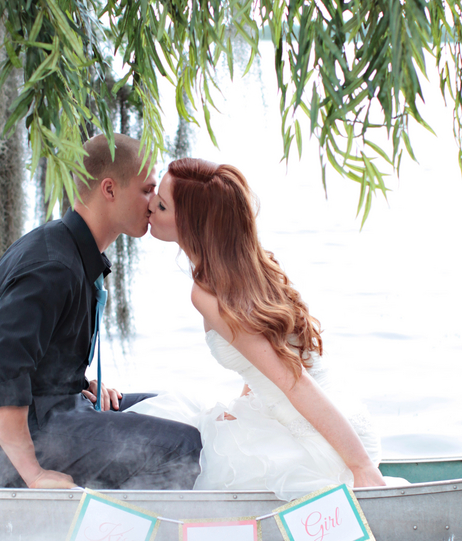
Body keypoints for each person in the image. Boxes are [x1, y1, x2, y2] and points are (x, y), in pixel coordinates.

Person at [128, 158, 390, 500]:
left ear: (190, 223)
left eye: (161, 205)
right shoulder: (253, 265)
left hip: (316, 439)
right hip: (332, 415)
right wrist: (242, 407)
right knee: (178, 415)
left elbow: (292, 380)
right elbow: (261, 362)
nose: (149, 206)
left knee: (169, 429)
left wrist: (361, 466)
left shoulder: (208, 293)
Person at [0, 135, 202, 490]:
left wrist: (78, 384)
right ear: (110, 190)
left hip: (52, 412)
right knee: (184, 446)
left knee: (170, 407)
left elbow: (39, 354)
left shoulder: (71, 252)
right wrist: (34, 474)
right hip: (6, 446)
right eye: (147, 190)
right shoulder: (52, 267)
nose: (154, 203)